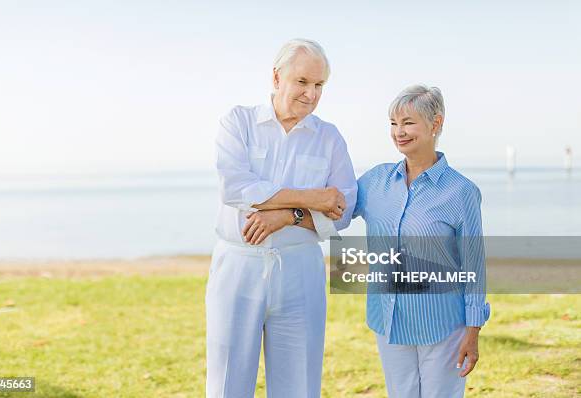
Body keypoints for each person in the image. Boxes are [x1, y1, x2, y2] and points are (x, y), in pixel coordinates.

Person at [206, 38, 357, 397]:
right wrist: (311, 198)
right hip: (238, 266)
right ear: (277, 77)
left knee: (300, 384)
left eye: (319, 85)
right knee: (227, 381)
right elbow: (236, 188)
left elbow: (344, 208)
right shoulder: (238, 122)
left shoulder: (329, 138)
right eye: (302, 82)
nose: (311, 94)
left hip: (300, 269)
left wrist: (287, 215)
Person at [353, 85, 490, 398]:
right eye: (393, 123)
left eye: (408, 122)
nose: (399, 132)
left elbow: (473, 265)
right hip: (388, 317)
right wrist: (287, 213)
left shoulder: (461, 192)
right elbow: (336, 209)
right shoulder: (375, 181)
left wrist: (473, 331)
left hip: (442, 323)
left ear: (435, 124)